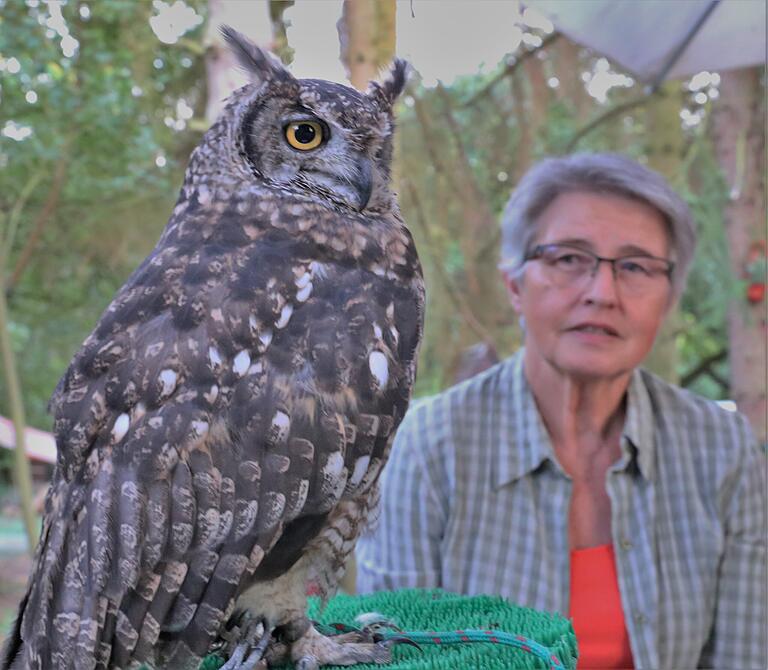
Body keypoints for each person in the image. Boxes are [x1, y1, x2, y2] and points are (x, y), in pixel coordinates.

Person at [355, 153, 766, 669]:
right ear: (515, 286)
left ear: (668, 299)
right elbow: (394, 654)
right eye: (569, 258)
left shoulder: (722, 449)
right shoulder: (426, 449)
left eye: (636, 266)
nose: (601, 293)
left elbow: (745, 657)